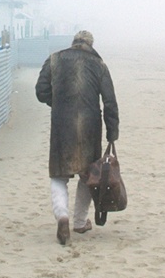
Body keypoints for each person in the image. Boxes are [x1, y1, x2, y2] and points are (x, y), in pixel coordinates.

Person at [35, 30, 119, 245]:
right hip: (90, 125)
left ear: (73, 42)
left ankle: (62, 216)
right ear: (91, 44)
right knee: (88, 174)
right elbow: (110, 102)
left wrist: (58, 104)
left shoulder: (54, 59)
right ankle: (80, 222)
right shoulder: (99, 65)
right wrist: (112, 132)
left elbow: (41, 91)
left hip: (62, 124)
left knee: (59, 175)